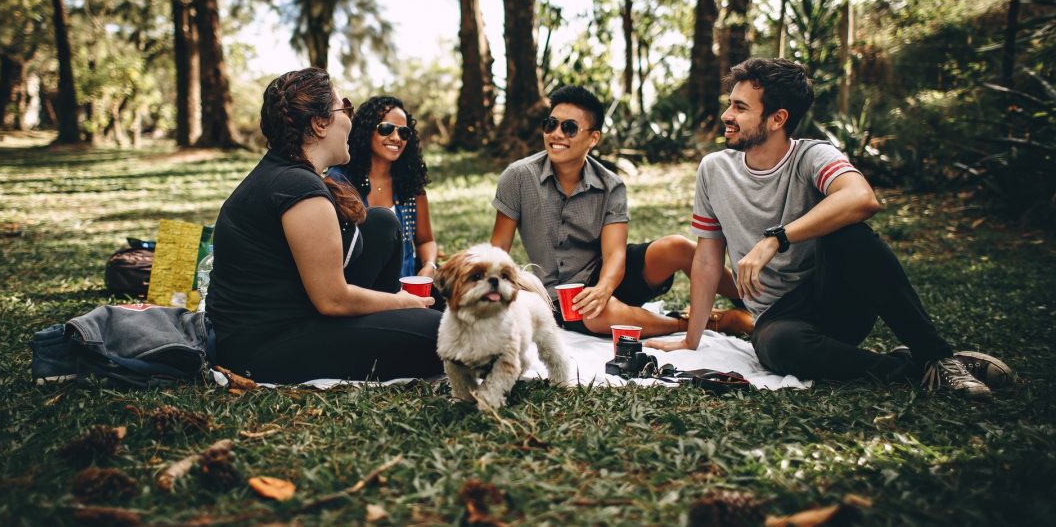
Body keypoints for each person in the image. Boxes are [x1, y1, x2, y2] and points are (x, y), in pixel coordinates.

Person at [647, 58, 1011, 398]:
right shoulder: (714, 170)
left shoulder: (813, 155)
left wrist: (777, 238)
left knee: (851, 236)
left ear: (777, 118)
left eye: (740, 108)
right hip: (779, 319)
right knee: (777, 347)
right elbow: (708, 259)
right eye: (730, 103)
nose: (727, 115)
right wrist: (691, 340)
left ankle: (938, 356)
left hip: (836, 299)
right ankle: (915, 367)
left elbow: (862, 198)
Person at [205, 68, 443, 384]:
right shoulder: (297, 188)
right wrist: (403, 301)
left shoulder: (290, 174)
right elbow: (332, 300)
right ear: (319, 124)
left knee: (382, 223)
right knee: (442, 334)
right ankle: (402, 320)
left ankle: (396, 321)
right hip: (263, 346)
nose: (350, 119)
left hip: (296, 314)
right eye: (344, 108)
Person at [490, 84, 745, 338]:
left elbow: (614, 255)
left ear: (593, 138)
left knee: (677, 247)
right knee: (596, 313)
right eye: (551, 124)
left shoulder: (611, 185)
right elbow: (498, 249)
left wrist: (603, 288)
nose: (556, 134)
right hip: (562, 295)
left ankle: (755, 299)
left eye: (568, 128)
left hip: (609, 276)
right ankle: (703, 324)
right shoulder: (519, 177)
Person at [326, 96, 438, 280]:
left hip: (408, 290)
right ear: (366, 131)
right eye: (386, 129)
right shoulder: (340, 181)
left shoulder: (410, 182)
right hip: (360, 291)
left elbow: (426, 240)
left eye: (403, 132)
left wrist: (429, 266)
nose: (396, 138)